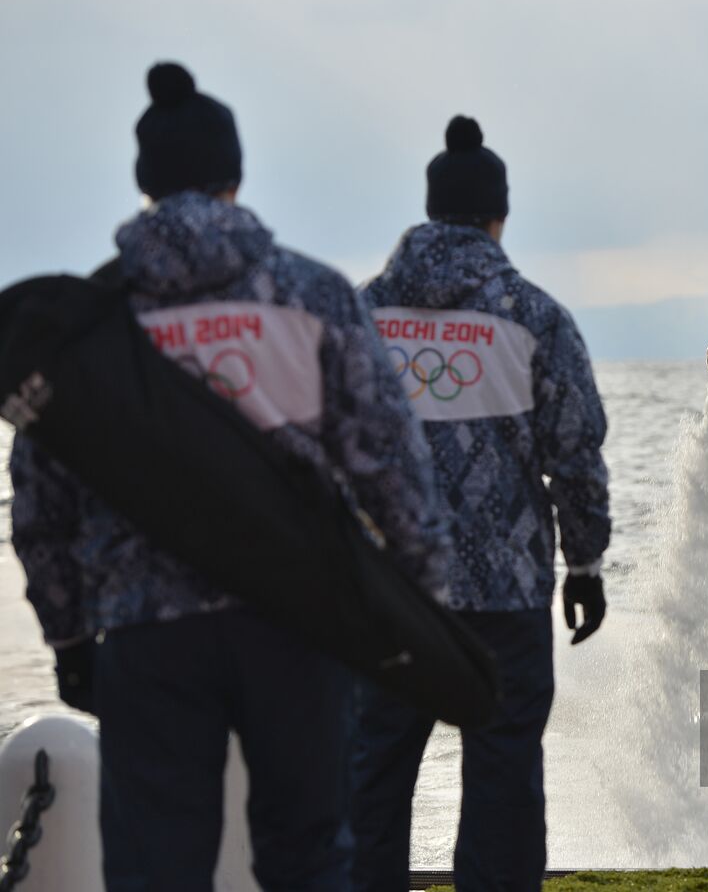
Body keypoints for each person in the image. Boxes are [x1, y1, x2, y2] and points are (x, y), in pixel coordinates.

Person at [9, 62, 451, 890]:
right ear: (235, 178)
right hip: (302, 625)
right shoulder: (312, 295)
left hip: (146, 635)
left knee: (155, 868)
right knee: (311, 856)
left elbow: (40, 504)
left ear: (145, 186)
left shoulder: (92, 319)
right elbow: (391, 466)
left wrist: (69, 639)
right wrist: (418, 606)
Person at [349, 115, 611, 892]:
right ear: (499, 214)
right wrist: (585, 563)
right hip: (505, 593)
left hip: (385, 593)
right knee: (501, 781)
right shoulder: (534, 318)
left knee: (370, 779)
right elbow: (576, 458)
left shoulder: (357, 315)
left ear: (431, 212)